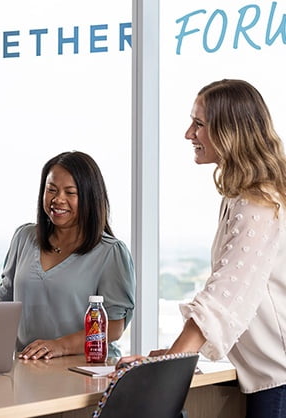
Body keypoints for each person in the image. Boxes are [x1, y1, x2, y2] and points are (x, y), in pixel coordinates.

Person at [119, 79, 286, 418]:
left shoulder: (259, 204)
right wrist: (173, 354)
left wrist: (169, 364)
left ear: (229, 130)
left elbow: (224, 295)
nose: (188, 134)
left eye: (199, 124)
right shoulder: (241, 196)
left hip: (279, 382)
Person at [0, 151, 135, 360]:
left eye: (70, 192)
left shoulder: (110, 252)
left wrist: (59, 346)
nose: (58, 199)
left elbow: (115, 326)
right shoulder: (24, 237)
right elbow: (6, 305)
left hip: (88, 368)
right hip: (29, 368)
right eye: (51, 189)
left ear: (90, 197)